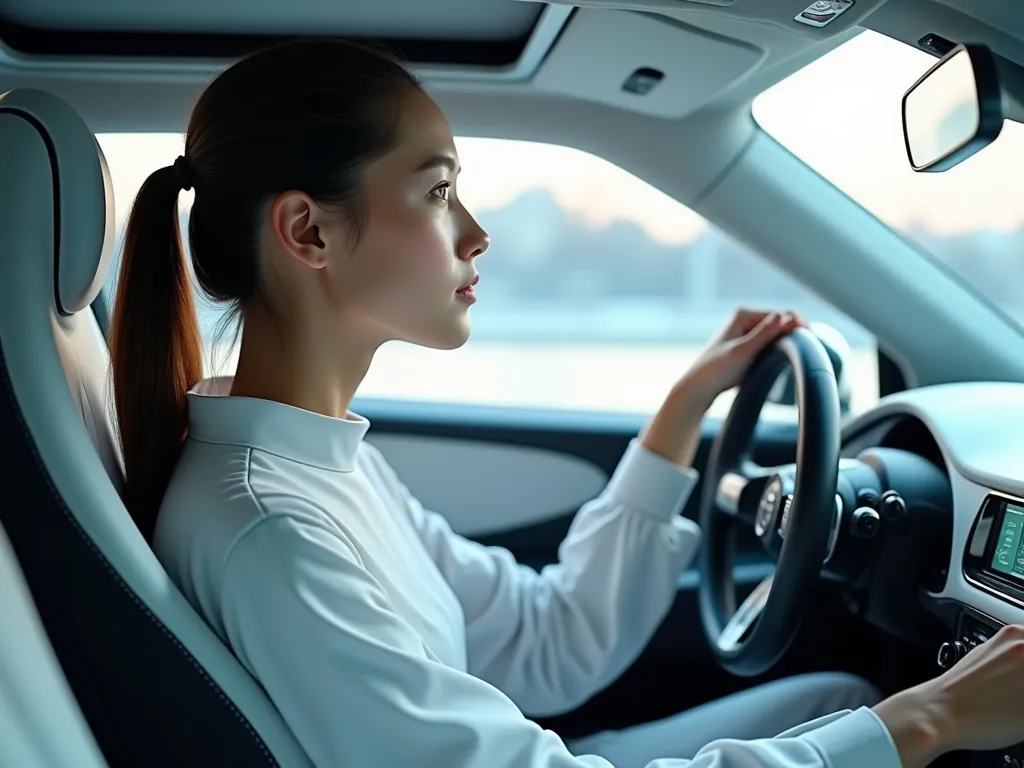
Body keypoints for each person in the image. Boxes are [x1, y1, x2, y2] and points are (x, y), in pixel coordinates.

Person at [109, 38, 1024, 768]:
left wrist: (680, 413)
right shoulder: (275, 528)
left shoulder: (318, 467)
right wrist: (930, 720)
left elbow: (546, 641)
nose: (476, 232)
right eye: (437, 191)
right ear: (309, 230)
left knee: (835, 704)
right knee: (873, 724)